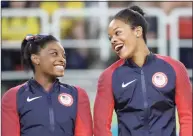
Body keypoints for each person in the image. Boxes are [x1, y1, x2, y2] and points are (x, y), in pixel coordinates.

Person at [94, 5, 192, 136]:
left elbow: (188, 118)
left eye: (117, 33)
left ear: (138, 31)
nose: (113, 40)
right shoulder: (109, 76)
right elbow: (101, 128)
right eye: (110, 38)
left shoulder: (174, 68)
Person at [2, 34, 93, 136]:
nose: (62, 59)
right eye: (54, 54)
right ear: (36, 59)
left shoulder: (78, 94)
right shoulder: (13, 96)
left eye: (64, 55)